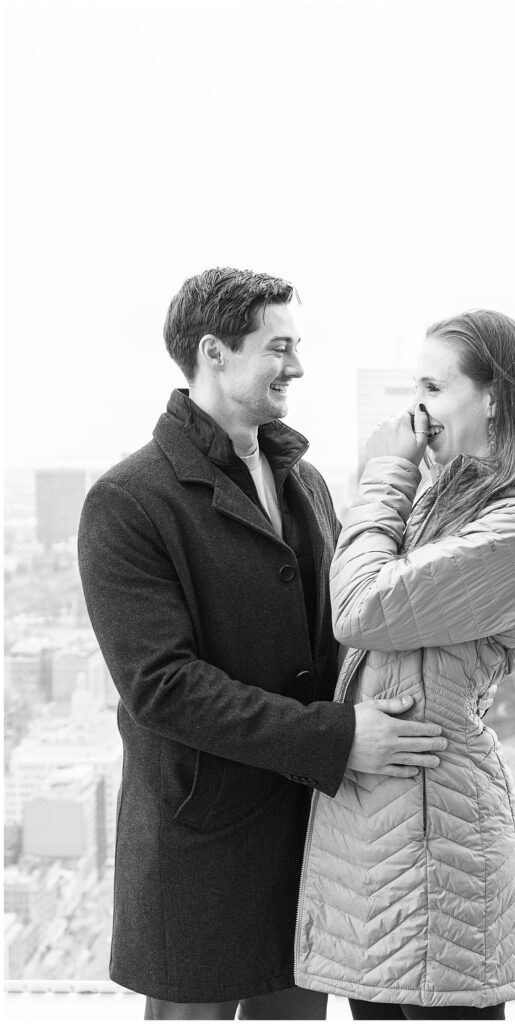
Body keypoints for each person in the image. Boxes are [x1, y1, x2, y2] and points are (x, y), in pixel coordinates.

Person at [77, 267, 446, 1021]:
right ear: (214, 353)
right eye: (278, 347)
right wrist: (338, 737)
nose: (298, 366)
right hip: (201, 849)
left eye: (297, 345)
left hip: (307, 840)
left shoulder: (303, 479)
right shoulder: (127, 501)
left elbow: (346, 622)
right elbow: (162, 686)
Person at [295, 309, 515, 1019]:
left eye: (434, 387)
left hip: (436, 849)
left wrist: (386, 471)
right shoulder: (456, 504)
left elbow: (358, 607)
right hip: (387, 842)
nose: (416, 410)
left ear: (495, 398)